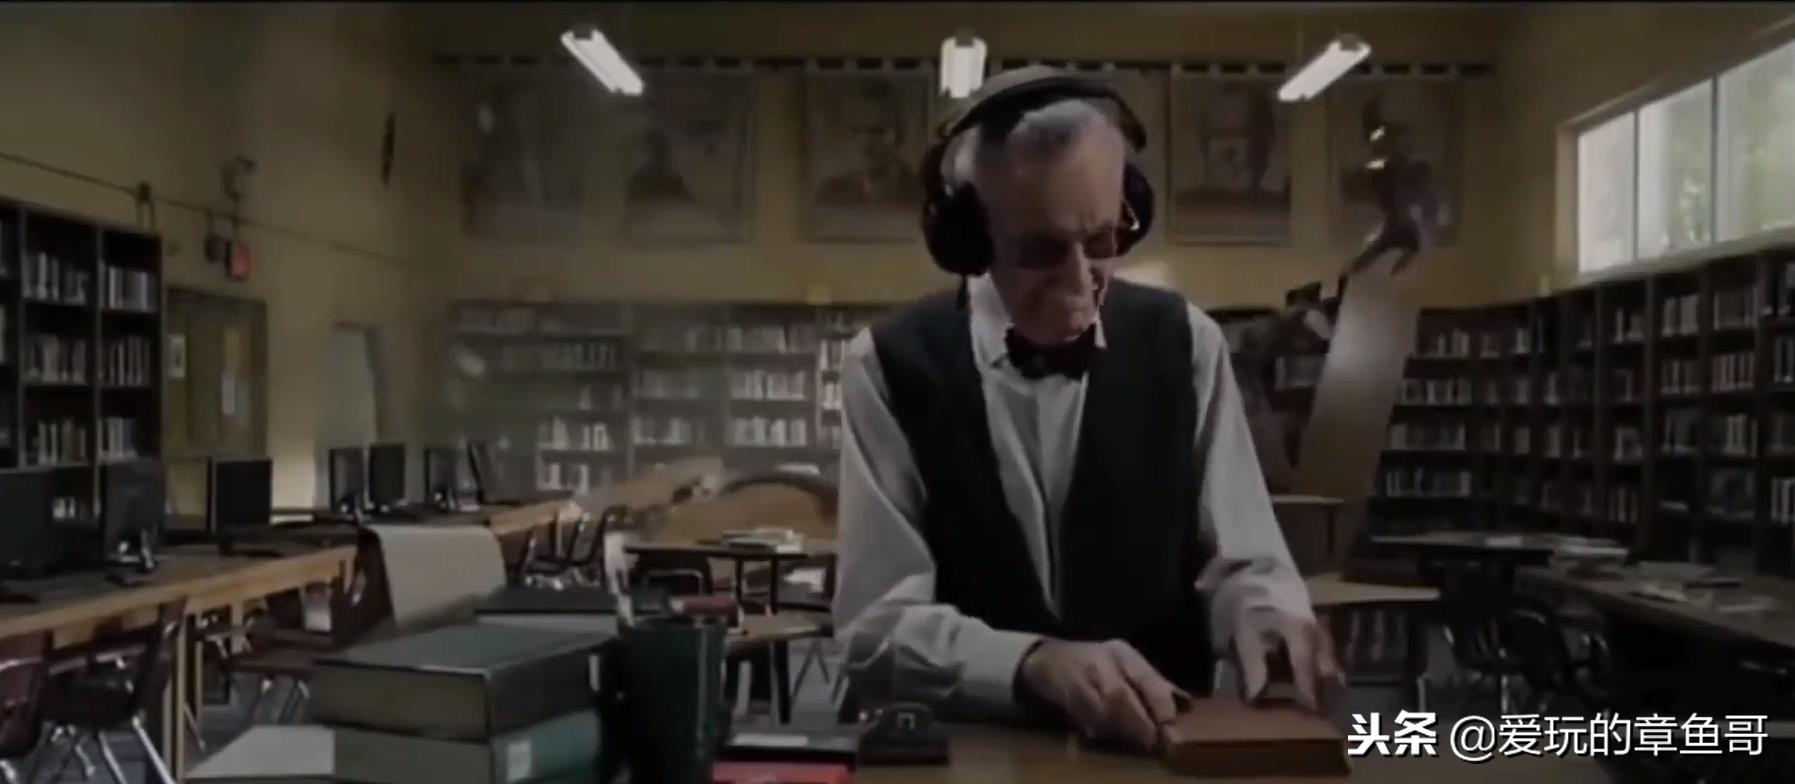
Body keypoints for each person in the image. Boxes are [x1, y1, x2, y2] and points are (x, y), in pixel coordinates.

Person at [832, 67, 1339, 754]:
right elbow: (873, 629)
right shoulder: (886, 365)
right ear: (969, 240)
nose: (1079, 284)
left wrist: (1266, 615)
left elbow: (1245, 560)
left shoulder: (1186, 343)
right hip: (967, 759)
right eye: (1040, 252)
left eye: (1102, 241)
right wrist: (1028, 664)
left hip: (1162, 756)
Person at [1340, 97, 1446, 281]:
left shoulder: (1412, 169)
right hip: (1396, 223)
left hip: (1403, 224)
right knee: (1370, 256)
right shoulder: (1381, 170)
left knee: (1383, 252)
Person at [813, 79, 920, 209]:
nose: (865, 143)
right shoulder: (829, 195)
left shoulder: (920, 193)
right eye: (855, 130)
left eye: (877, 131)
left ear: (900, 133)